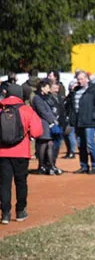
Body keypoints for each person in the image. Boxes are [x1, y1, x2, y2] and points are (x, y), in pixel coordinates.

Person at [0, 84, 43, 224]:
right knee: (21, 182)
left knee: (4, 183)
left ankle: (5, 213)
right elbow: (37, 132)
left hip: (2, 152)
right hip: (21, 152)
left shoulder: (1, 109)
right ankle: (20, 211)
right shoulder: (27, 110)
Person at [66, 71, 95, 175]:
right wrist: (71, 92)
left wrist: (93, 116)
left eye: (81, 79)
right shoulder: (76, 90)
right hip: (78, 121)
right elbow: (70, 104)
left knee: (90, 144)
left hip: (89, 121)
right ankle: (84, 166)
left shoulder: (93, 90)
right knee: (81, 144)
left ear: (87, 79)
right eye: (78, 79)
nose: (79, 81)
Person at [31, 81, 60, 175]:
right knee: (43, 144)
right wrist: (53, 120)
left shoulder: (46, 97)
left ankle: (51, 165)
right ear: (42, 88)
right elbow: (43, 112)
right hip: (43, 124)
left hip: (48, 124)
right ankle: (42, 166)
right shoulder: (37, 98)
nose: (49, 89)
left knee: (49, 144)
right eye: (47, 87)